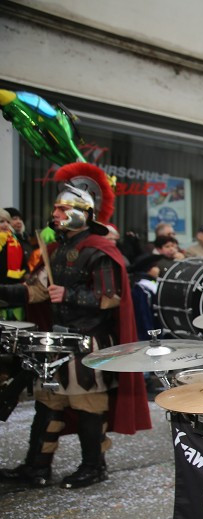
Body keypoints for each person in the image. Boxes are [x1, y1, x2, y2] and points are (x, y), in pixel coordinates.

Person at [0, 162, 150, 487]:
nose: (55, 213)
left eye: (62, 208)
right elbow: (36, 290)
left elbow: (110, 297)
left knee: (88, 407)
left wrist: (67, 293)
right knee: (47, 405)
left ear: (83, 212)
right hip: (57, 344)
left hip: (89, 344)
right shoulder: (56, 250)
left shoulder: (100, 251)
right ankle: (36, 468)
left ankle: (94, 467)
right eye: (56, 208)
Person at [0, 208, 26, 321]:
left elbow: (23, 264)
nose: (5, 225)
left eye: (7, 221)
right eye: (1, 221)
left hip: (14, 290)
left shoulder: (15, 240)